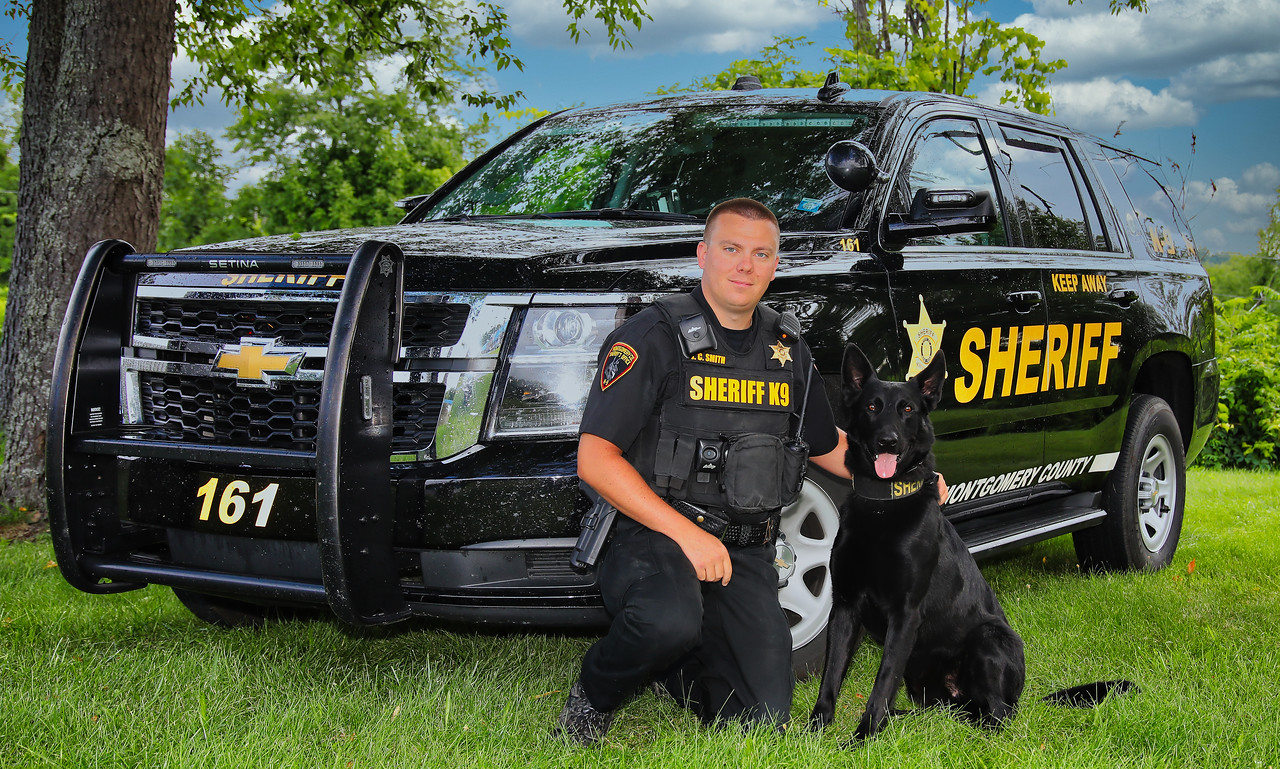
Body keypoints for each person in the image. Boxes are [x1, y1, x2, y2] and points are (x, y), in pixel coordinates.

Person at [556, 198, 853, 744]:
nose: (745, 264)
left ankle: (676, 668)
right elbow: (594, 459)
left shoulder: (787, 347)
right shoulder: (652, 336)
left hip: (744, 547)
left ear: (775, 264)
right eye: (731, 249)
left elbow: (824, 444)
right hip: (650, 533)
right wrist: (687, 536)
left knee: (760, 722)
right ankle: (592, 698)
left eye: (761, 253)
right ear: (702, 255)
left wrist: (901, 473)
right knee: (664, 621)